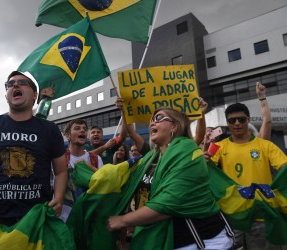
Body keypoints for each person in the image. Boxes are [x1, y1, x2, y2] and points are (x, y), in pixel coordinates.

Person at [107, 107, 233, 249]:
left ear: (174, 126)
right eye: (152, 120)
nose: (153, 123)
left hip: (202, 242)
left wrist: (122, 220)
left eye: (159, 118)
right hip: (167, 241)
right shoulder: (150, 158)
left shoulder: (188, 151)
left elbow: (168, 204)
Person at [0, 71, 68, 227]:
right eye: (10, 84)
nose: (15, 85)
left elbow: (60, 171)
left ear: (35, 96)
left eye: (22, 83)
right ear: (6, 97)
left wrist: (58, 198)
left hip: (36, 218)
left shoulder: (49, 129)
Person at [205, 102, 287, 249]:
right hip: (233, 217)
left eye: (241, 119)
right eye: (232, 120)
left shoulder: (265, 145)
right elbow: (203, 168)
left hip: (261, 215)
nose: (237, 123)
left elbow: (284, 168)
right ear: (227, 123)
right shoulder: (219, 147)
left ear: (248, 120)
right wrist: (204, 155)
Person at [62, 119, 103, 221]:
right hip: (63, 218)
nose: (82, 131)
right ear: (68, 135)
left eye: (84, 129)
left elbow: (103, 186)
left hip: (88, 217)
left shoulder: (96, 159)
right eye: (77, 128)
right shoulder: (59, 158)